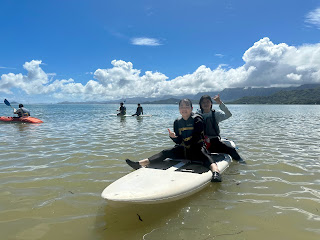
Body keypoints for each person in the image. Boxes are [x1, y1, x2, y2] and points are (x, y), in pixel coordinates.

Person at [126, 98, 222, 182]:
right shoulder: (177, 122)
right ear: (179, 109)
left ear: (191, 108)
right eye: (182, 107)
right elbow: (178, 141)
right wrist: (173, 137)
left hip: (196, 149)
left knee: (205, 156)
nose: (184, 109)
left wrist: (182, 143)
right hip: (184, 149)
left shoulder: (197, 120)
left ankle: (216, 172)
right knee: (166, 152)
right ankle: (140, 164)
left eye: (187, 106)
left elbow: (196, 138)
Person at [199, 94, 245, 163]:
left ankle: (242, 163)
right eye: (203, 102)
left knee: (231, 150)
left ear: (211, 103)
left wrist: (220, 102)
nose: (205, 104)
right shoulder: (197, 115)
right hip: (202, 142)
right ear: (200, 104)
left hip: (215, 141)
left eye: (207, 102)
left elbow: (229, 115)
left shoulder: (216, 114)